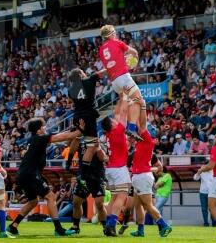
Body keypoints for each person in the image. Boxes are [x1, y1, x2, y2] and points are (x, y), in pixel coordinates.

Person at [8, 118, 82, 237]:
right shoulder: (39, 138)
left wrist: (73, 133)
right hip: (30, 174)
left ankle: (13, 226)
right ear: (38, 130)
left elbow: (60, 137)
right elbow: (60, 137)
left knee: (33, 201)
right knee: (50, 196)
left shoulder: (33, 139)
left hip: (23, 174)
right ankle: (58, 229)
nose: (45, 128)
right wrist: (79, 131)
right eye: (43, 127)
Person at [130, 100, 172, 238]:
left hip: (141, 176)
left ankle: (163, 225)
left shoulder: (146, 139)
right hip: (140, 175)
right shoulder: (146, 142)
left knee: (148, 205)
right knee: (138, 205)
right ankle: (141, 230)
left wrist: (141, 106)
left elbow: (141, 123)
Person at [99, 24, 143, 140]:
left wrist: (123, 61)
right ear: (112, 34)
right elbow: (134, 52)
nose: (116, 34)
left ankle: (120, 129)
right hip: (123, 78)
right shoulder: (117, 42)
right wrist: (135, 60)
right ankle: (132, 128)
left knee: (124, 101)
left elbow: (110, 65)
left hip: (114, 82)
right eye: (115, 33)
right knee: (138, 100)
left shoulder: (102, 49)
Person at [66, 138, 109, 235]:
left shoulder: (99, 143)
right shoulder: (80, 143)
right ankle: (75, 226)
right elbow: (70, 146)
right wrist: (76, 137)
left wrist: (97, 147)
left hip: (97, 178)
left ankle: (105, 227)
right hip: (83, 177)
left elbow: (103, 158)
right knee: (76, 202)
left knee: (99, 204)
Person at [101, 96, 130, 236]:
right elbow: (123, 114)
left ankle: (108, 224)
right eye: (113, 120)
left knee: (113, 197)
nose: (115, 120)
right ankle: (111, 226)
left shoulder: (107, 134)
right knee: (121, 196)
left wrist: (120, 99)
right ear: (111, 124)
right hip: (119, 168)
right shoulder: (117, 131)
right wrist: (126, 97)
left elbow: (118, 114)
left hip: (110, 168)